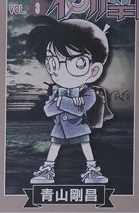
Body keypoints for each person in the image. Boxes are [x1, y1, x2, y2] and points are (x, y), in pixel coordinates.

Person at [26, 16, 111, 186]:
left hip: (79, 127)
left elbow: (79, 110)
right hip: (59, 129)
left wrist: (60, 102)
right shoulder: (57, 90)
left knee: (86, 147)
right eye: (52, 62)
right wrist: (67, 103)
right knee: (54, 148)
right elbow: (48, 110)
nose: (59, 71)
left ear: (93, 70)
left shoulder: (89, 92)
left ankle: (92, 170)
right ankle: (48, 170)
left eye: (78, 63)